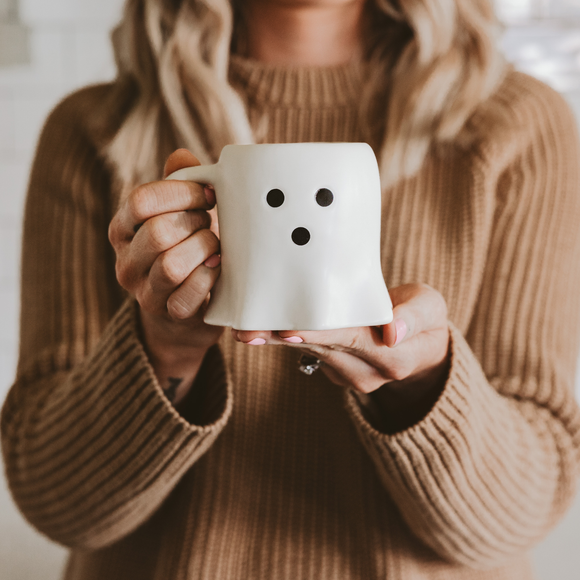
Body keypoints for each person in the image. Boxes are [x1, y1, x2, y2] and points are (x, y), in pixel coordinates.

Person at [2, 0, 580, 578]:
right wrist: (166, 346)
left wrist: (422, 385)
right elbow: (59, 504)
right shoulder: (93, 131)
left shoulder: (520, 125)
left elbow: (525, 510)